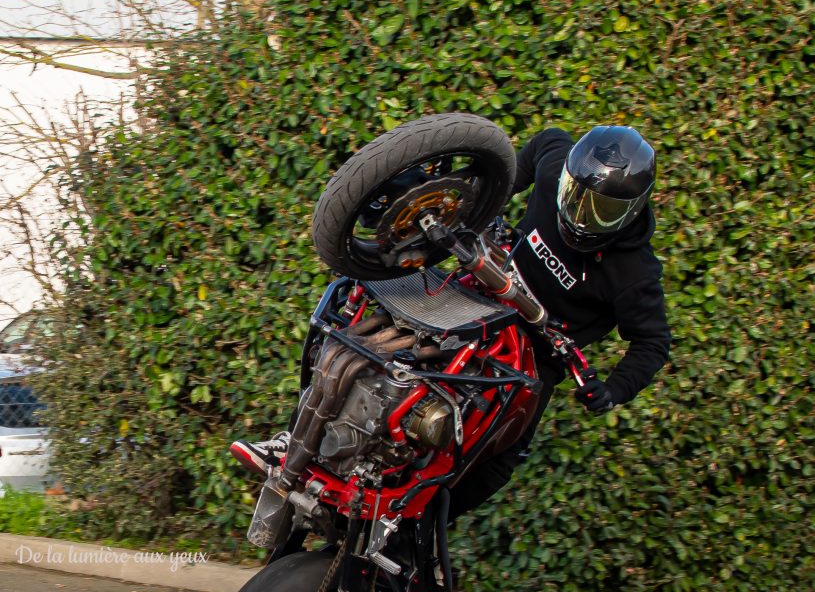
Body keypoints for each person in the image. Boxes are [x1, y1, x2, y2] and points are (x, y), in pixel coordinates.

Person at [234, 125, 671, 521]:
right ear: (570, 177)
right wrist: (498, 193)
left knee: (496, 459)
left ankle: (416, 529)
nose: (581, 214)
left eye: (602, 211)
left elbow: (652, 343)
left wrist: (615, 389)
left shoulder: (635, 274)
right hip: (470, 297)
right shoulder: (559, 165)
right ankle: (294, 442)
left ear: (633, 209)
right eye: (576, 196)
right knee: (360, 335)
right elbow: (544, 142)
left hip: (531, 358)